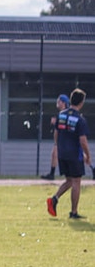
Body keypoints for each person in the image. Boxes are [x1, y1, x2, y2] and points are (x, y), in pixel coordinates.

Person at [46, 88, 91, 219]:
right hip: (74, 154)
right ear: (81, 103)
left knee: (69, 180)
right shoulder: (80, 120)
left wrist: (58, 146)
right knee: (76, 182)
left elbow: (56, 133)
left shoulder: (61, 115)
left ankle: (54, 199)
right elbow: (83, 141)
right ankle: (74, 212)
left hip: (62, 153)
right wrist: (88, 155)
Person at [40, 94, 70, 180]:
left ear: (63, 103)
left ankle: (92, 167)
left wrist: (55, 122)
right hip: (61, 138)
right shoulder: (61, 113)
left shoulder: (65, 113)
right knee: (54, 154)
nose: (57, 102)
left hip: (65, 139)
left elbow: (63, 125)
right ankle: (52, 174)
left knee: (78, 155)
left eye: (59, 101)